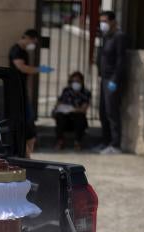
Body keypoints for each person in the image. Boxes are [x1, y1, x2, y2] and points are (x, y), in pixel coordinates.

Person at [8, 28, 53, 155]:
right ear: (27, 37)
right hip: (16, 91)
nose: (33, 44)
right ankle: (26, 147)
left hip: (21, 89)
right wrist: (39, 69)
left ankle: (28, 148)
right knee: (27, 118)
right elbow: (22, 68)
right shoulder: (16, 50)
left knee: (28, 118)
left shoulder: (23, 52)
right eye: (33, 41)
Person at [96, 10, 128, 155]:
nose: (102, 24)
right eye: (101, 21)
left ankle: (115, 145)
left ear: (113, 22)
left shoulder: (119, 36)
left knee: (111, 112)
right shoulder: (106, 36)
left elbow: (121, 60)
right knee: (102, 111)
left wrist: (115, 80)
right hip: (104, 79)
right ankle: (105, 142)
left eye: (105, 21)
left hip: (112, 80)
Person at [53, 71, 91, 150]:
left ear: (81, 81)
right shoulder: (66, 91)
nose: (75, 83)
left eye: (77, 81)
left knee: (79, 117)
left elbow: (84, 109)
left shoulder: (86, 92)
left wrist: (72, 109)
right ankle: (59, 142)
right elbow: (58, 104)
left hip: (78, 121)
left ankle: (77, 142)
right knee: (60, 116)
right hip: (66, 120)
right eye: (73, 81)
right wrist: (61, 108)